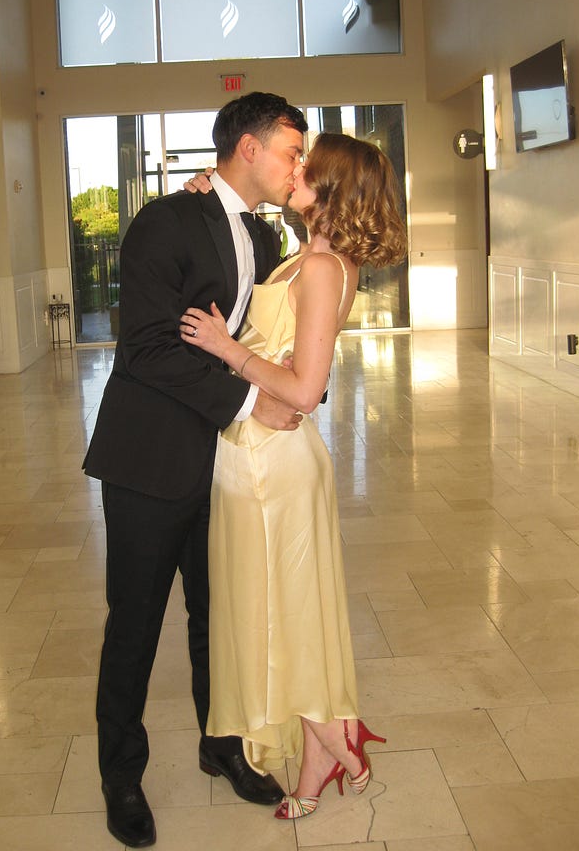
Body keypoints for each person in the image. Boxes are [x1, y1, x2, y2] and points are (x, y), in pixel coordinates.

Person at [82, 91, 309, 848]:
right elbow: (146, 348)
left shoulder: (267, 236)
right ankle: (121, 776)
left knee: (219, 616)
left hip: (226, 465)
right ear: (249, 148)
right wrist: (248, 402)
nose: (296, 167)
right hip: (149, 459)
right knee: (136, 623)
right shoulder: (165, 221)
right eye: (290, 152)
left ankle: (223, 747)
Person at [179, 132, 407, 819]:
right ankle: (326, 749)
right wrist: (205, 189)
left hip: (272, 466)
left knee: (279, 616)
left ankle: (335, 742)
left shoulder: (323, 268)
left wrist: (226, 348)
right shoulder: (308, 257)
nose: (295, 168)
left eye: (308, 164)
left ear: (331, 188)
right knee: (282, 612)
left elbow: (306, 388)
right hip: (256, 457)